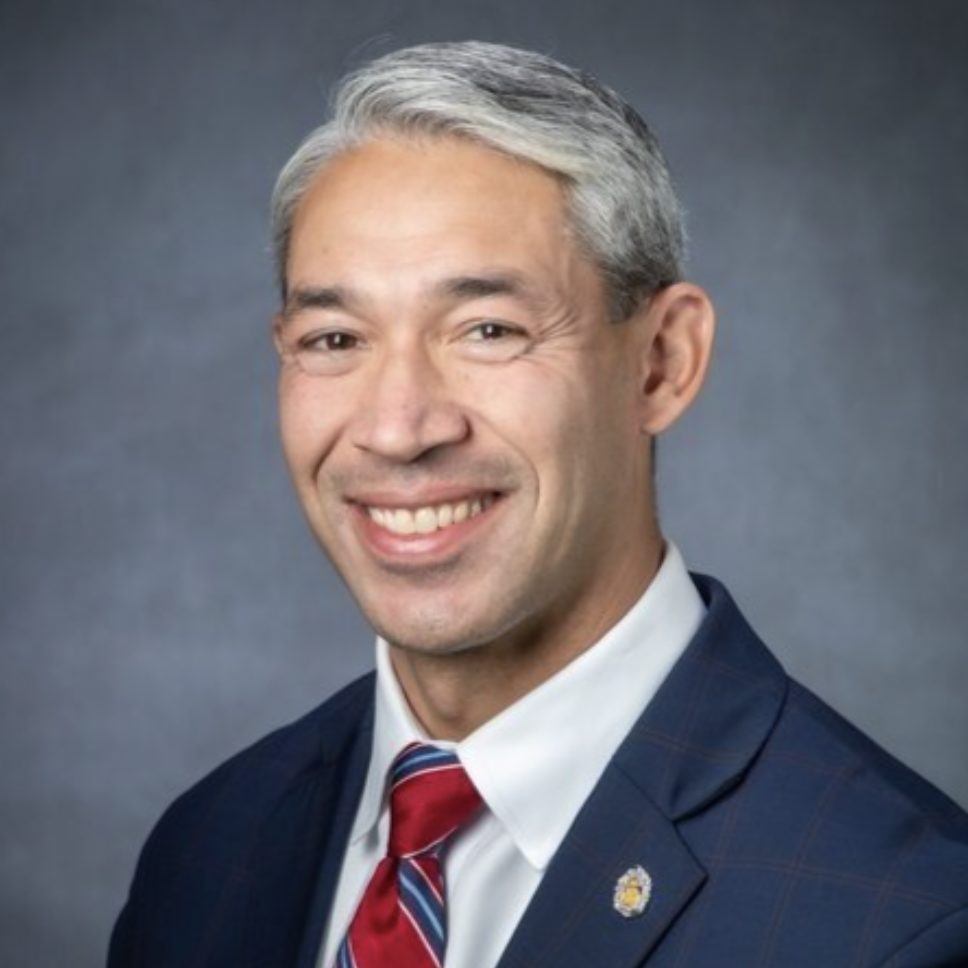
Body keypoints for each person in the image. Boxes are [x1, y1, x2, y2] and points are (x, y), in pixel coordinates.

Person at [108, 41, 968, 967]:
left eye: (488, 330)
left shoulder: (903, 920)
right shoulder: (207, 851)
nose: (397, 428)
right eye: (335, 337)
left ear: (662, 363)